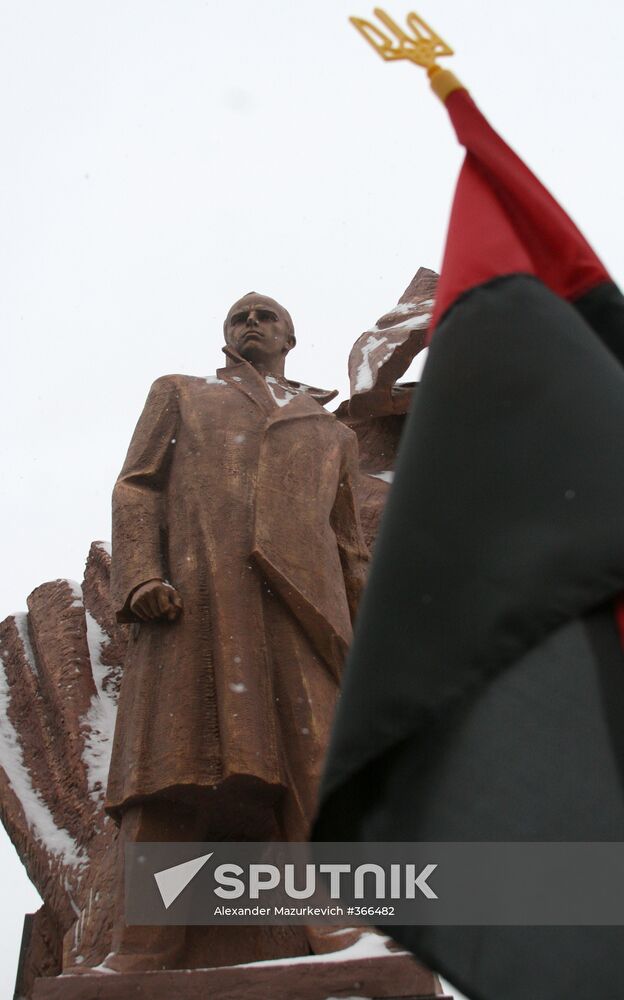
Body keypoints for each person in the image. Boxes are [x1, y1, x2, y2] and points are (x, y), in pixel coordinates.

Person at [103, 292, 369, 970]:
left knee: (318, 763)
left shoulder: (331, 432)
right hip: (200, 597)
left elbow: (349, 546)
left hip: (305, 610)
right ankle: (142, 941)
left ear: (291, 336)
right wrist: (138, 577)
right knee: (171, 764)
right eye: (238, 317)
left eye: (265, 315)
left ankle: (334, 921)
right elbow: (135, 487)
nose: (251, 324)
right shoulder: (183, 395)